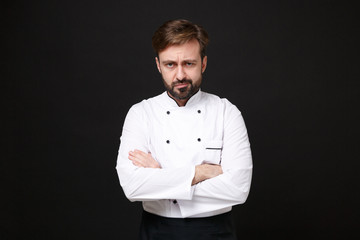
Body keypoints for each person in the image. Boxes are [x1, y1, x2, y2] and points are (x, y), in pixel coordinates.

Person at [116, 19, 253, 240]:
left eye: (189, 63)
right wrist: (199, 173)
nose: (180, 75)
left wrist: (160, 177)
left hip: (216, 232)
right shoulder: (140, 113)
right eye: (170, 64)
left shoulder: (227, 112)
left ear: (204, 63)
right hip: (157, 231)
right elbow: (133, 187)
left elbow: (238, 188)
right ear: (158, 65)